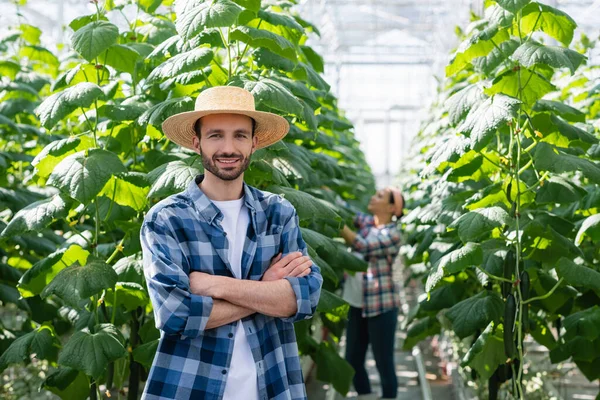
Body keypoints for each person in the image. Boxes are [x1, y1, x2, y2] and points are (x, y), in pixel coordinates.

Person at [140, 86, 323, 400]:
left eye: (239, 135)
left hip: (272, 385)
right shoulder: (166, 219)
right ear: (196, 142)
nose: (228, 148)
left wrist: (215, 285)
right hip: (190, 386)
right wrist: (266, 289)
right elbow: (175, 316)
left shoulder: (278, 213)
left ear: (254, 142)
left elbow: (304, 299)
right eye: (215, 135)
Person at [340, 187, 404, 400]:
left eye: (379, 196)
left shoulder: (393, 235)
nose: (372, 197)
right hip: (356, 304)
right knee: (352, 361)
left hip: (382, 307)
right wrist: (327, 194)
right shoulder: (369, 223)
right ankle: (365, 396)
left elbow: (362, 246)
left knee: (383, 363)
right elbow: (347, 210)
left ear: (392, 208)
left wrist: (338, 224)